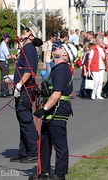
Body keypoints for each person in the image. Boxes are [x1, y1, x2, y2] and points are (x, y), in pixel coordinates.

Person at [29, 43, 78, 180]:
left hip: (58, 109)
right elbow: (51, 90)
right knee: (45, 142)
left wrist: (43, 110)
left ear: (64, 54)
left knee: (59, 142)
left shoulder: (62, 69)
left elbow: (57, 94)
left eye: (59, 47)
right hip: (50, 108)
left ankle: (59, 175)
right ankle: (44, 172)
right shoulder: (56, 69)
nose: (56, 48)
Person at [10, 25, 42, 163]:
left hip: (25, 90)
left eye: (27, 30)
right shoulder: (25, 49)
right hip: (24, 89)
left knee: (26, 121)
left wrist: (19, 85)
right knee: (22, 121)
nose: (24, 31)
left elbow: (28, 71)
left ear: (32, 36)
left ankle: (33, 152)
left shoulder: (29, 49)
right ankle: (24, 151)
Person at [0, 33, 13, 98]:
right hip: (4, 62)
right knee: (5, 77)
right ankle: (4, 92)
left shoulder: (2, 45)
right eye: (8, 38)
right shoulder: (4, 45)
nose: (9, 39)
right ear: (6, 38)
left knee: (3, 76)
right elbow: (7, 57)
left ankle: (4, 91)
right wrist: (13, 57)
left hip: (1, 62)